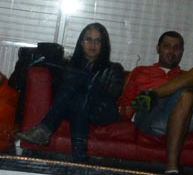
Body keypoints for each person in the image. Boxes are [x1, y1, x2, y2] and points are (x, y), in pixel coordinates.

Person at [16, 22, 125, 161]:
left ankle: (45, 129)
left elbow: (111, 94)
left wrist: (88, 80)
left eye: (98, 41)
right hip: (76, 107)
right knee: (78, 101)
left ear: (104, 45)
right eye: (88, 39)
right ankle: (79, 158)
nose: (93, 44)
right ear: (81, 43)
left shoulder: (114, 68)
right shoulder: (70, 66)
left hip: (101, 110)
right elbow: (60, 91)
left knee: (80, 85)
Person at [120, 31, 193, 175]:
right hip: (151, 117)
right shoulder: (141, 71)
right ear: (158, 48)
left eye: (177, 48)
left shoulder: (189, 76)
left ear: (182, 52)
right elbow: (126, 106)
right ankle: (172, 168)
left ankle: (153, 94)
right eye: (167, 46)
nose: (172, 51)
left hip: (185, 116)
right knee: (185, 94)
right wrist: (126, 111)